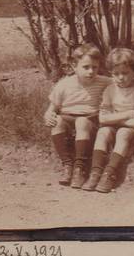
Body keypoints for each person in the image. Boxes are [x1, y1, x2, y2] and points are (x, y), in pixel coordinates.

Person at [83, 47, 134, 194]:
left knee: (123, 133)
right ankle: (95, 172)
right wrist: (128, 114)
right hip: (122, 123)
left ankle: (110, 173)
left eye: (125, 73)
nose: (120, 77)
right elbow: (102, 119)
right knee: (103, 132)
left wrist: (114, 120)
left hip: (132, 131)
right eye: (116, 74)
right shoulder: (110, 90)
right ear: (111, 74)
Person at [44, 43, 110, 188]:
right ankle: (67, 165)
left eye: (95, 67)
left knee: (81, 122)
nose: (91, 71)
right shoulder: (64, 84)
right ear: (74, 66)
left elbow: (125, 83)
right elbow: (52, 108)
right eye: (86, 67)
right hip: (67, 116)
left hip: (90, 118)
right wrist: (49, 115)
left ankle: (80, 167)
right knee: (58, 121)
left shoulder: (104, 82)